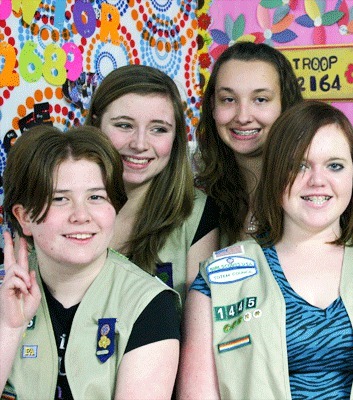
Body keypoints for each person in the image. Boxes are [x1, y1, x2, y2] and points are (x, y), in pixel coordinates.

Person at [178, 100, 353, 399]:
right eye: (299, 166)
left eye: (335, 166)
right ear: (275, 174)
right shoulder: (217, 280)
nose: (317, 181)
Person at [0, 125, 179, 399]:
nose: (81, 215)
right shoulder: (5, 292)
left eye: (96, 197)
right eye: (60, 199)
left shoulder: (150, 304)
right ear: (23, 217)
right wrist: (9, 329)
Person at [86, 64, 218, 302]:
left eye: (158, 129)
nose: (139, 144)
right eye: (124, 125)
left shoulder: (198, 214)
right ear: (96, 126)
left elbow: (199, 326)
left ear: (176, 137)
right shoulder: (60, 207)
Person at [193, 41, 303, 246]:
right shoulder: (198, 187)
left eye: (260, 99)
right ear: (212, 106)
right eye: (228, 99)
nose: (243, 117)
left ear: (285, 104)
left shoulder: (320, 180)